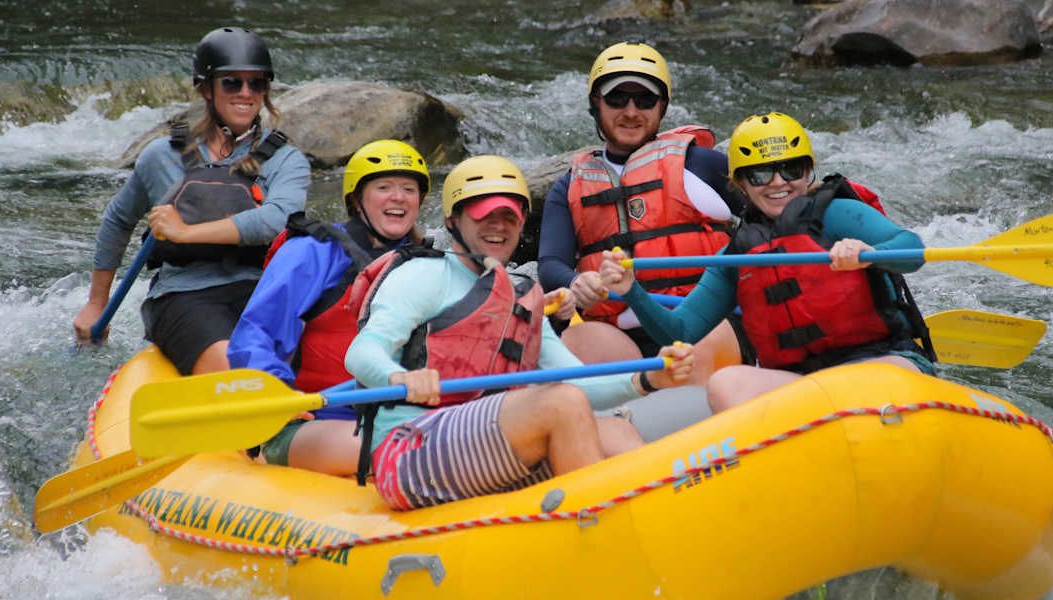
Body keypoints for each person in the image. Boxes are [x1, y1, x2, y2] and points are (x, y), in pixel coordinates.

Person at [344, 155, 694, 510]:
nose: (498, 227)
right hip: (410, 450)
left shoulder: (521, 294)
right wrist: (399, 377)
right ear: (452, 220)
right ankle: (592, 525)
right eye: (484, 216)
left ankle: (641, 525)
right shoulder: (423, 275)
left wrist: (648, 379)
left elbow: (577, 381)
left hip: (483, 440)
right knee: (560, 403)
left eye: (509, 216)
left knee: (616, 432)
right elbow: (361, 352)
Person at [599, 112, 935, 413]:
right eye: (761, 174)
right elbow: (680, 331)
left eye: (791, 170)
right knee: (725, 383)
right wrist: (632, 291)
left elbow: (911, 250)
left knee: (888, 378)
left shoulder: (838, 213)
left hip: (879, 362)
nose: (778, 183)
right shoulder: (736, 255)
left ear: (808, 172)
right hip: (804, 384)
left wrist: (869, 252)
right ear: (740, 184)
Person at [72, 27, 310, 375]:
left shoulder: (285, 159)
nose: (246, 93)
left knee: (285, 366)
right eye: (232, 83)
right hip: (185, 294)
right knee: (234, 365)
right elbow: (118, 221)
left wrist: (185, 232)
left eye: (256, 83)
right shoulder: (161, 157)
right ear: (207, 88)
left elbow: (276, 221)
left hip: (263, 291)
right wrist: (96, 303)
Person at [538, 41, 749, 383]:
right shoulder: (569, 187)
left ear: (662, 106)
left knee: (694, 348)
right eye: (617, 99)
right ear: (596, 104)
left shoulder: (702, 165)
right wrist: (575, 282)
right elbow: (550, 264)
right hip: (621, 333)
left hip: (702, 322)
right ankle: (624, 406)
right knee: (577, 341)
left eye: (645, 100)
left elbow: (770, 215)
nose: (631, 112)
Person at [228, 140, 431, 473]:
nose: (398, 197)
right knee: (399, 447)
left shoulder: (431, 264)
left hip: (402, 417)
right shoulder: (313, 251)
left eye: (409, 189)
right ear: (356, 199)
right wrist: (276, 393)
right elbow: (257, 333)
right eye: (384, 187)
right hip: (312, 417)